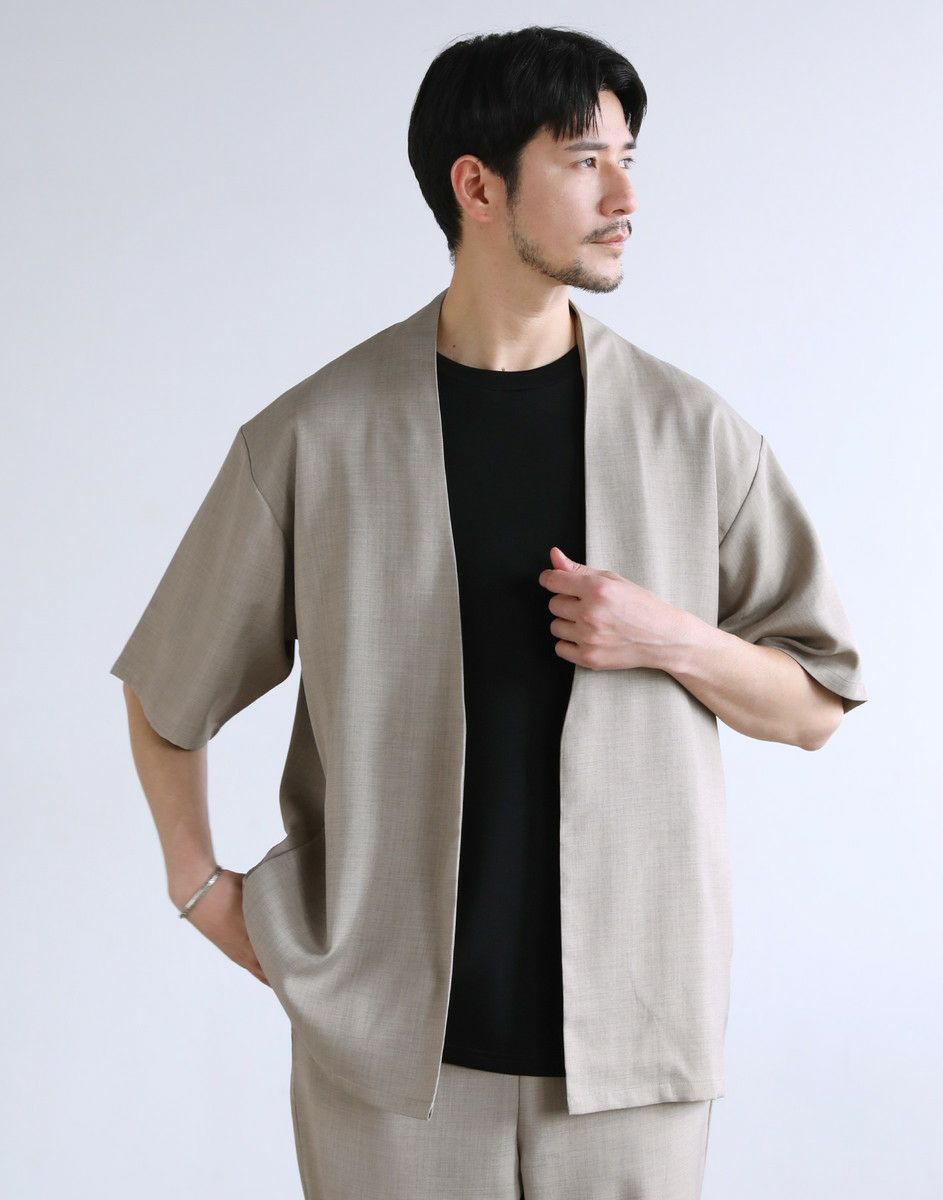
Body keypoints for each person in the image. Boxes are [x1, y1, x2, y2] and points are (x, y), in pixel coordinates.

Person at [110, 25, 867, 1200]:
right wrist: (201, 888)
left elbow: (815, 703)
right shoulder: (317, 436)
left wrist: (665, 635)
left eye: (628, 158)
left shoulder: (692, 433)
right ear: (477, 186)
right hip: (387, 1057)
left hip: (631, 1056)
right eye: (583, 161)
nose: (625, 197)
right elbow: (169, 684)